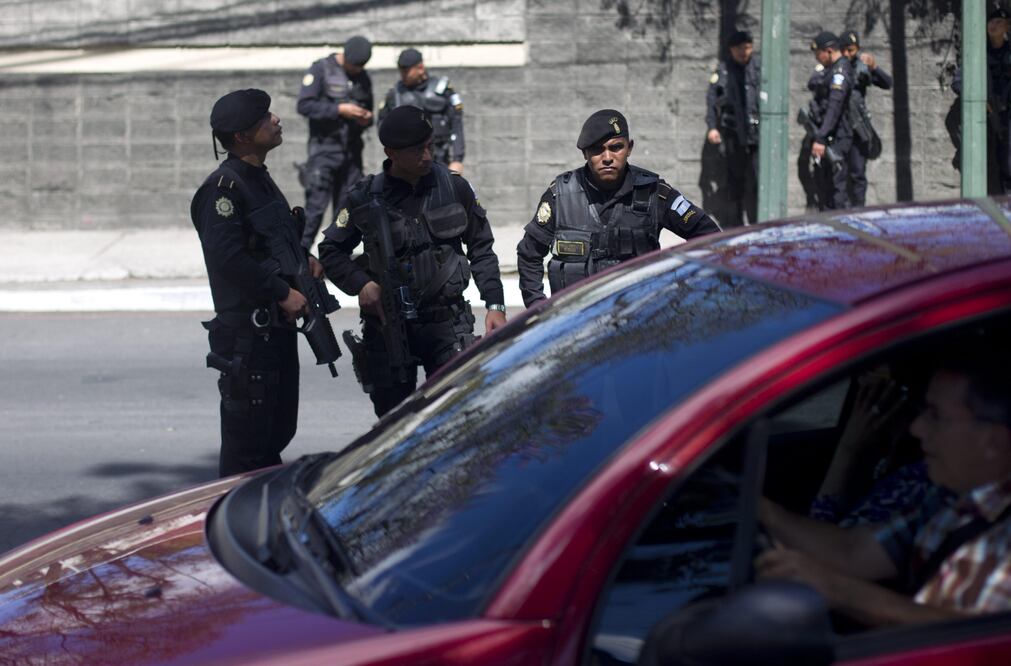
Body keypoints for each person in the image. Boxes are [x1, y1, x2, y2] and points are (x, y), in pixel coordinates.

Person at [758, 353, 1011, 626]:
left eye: (935, 416)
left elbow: (974, 643)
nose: (917, 427)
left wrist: (838, 590)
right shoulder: (948, 500)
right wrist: (760, 509)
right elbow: (852, 551)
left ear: (993, 442)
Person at [317, 105, 507, 417]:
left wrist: (495, 305)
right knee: (394, 424)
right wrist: (362, 285)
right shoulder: (364, 196)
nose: (427, 156)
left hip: (447, 326)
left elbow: (481, 247)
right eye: (417, 150)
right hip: (389, 330)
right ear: (391, 152)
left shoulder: (454, 187)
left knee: (454, 418)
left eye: (429, 146)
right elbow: (331, 252)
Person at [190, 89, 323, 477]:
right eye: (265, 117)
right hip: (248, 340)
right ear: (243, 137)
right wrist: (282, 291)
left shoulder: (259, 179)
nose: (276, 119)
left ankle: (262, 529)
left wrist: (304, 262)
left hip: (275, 332)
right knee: (247, 451)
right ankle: (232, 528)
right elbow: (228, 257)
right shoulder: (224, 190)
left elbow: (271, 243)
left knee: (276, 435)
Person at [516, 109, 720, 308]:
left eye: (616, 147)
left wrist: (688, 291)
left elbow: (709, 237)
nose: (607, 157)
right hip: (574, 322)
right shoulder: (560, 195)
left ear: (629, 148)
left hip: (638, 319)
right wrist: (538, 308)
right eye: (597, 149)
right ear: (585, 153)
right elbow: (529, 254)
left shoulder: (654, 192)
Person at [296, 35, 375, 249]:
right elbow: (304, 105)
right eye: (355, 65)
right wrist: (339, 110)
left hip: (351, 153)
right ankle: (299, 259)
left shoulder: (362, 77)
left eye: (361, 66)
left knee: (346, 212)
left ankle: (335, 258)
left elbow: (370, 110)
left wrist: (365, 117)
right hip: (324, 151)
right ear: (345, 57)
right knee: (315, 209)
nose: (357, 70)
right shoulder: (321, 69)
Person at [952, 5, 1011, 194]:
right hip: (985, 119)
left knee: (1007, 165)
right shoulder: (977, 52)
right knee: (983, 166)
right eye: (991, 21)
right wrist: (979, 102)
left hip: (1007, 117)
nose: (993, 25)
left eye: (999, 22)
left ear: (1007, 27)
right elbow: (957, 81)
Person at [705, 29, 761, 227]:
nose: (744, 52)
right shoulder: (723, 71)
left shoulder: (759, 68)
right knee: (734, 182)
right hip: (733, 136)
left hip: (757, 137)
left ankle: (757, 223)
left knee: (756, 182)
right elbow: (712, 101)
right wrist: (712, 127)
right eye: (739, 48)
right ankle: (735, 225)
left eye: (747, 47)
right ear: (731, 50)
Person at [378, 48, 465, 174]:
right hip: (406, 163)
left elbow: (456, 124)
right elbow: (383, 125)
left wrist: (457, 159)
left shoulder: (442, 90)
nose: (403, 75)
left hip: (439, 159)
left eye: (407, 71)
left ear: (420, 68)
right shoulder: (395, 94)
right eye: (401, 71)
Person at [840, 30, 891, 207]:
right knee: (837, 175)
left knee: (857, 174)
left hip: (856, 129)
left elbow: (887, 83)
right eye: (844, 50)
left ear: (857, 49)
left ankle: (858, 212)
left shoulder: (861, 68)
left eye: (851, 50)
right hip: (838, 129)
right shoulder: (834, 66)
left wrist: (874, 66)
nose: (847, 54)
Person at [805, 31, 854, 211]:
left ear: (829, 50)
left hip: (837, 137)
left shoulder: (840, 72)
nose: (818, 58)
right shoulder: (830, 70)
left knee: (837, 188)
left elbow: (834, 108)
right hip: (829, 136)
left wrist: (821, 138)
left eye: (818, 54)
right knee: (824, 186)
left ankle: (843, 235)